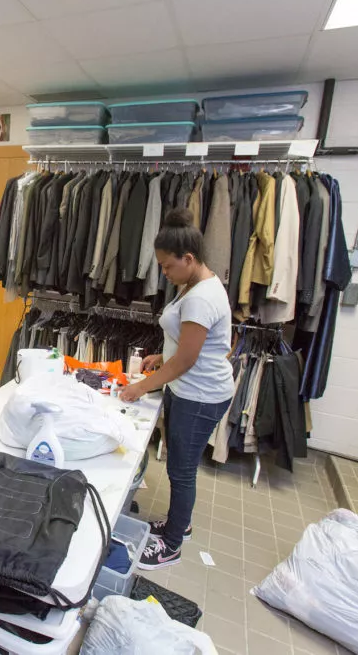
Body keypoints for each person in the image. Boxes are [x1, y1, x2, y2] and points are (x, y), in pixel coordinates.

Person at [120, 208, 235, 570]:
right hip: (191, 390)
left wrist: (141, 388)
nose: (165, 274)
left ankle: (170, 545)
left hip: (199, 396)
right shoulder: (197, 284)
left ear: (189, 259)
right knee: (180, 466)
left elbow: (187, 360)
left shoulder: (202, 297)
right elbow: (189, 343)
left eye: (168, 267)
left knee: (181, 471)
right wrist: (160, 354)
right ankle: (177, 524)